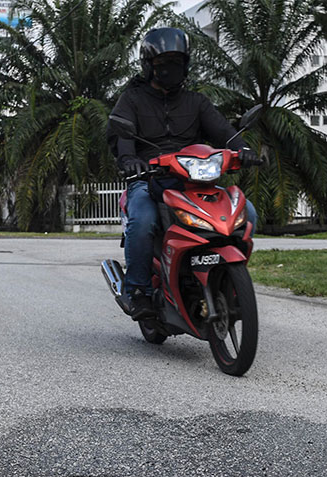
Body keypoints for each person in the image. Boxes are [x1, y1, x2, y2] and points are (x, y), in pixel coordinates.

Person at [107, 27, 260, 319]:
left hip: (194, 180)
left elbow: (225, 133)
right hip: (149, 179)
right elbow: (121, 136)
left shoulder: (196, 102)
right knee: (143, 220)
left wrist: (243, 149)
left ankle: (230, 278)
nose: (171, 69)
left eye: (177, 62)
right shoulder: (132, 100)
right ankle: (137, 289)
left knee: (247, 214)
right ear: (149, 66)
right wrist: (129, 160)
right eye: (164, 63)